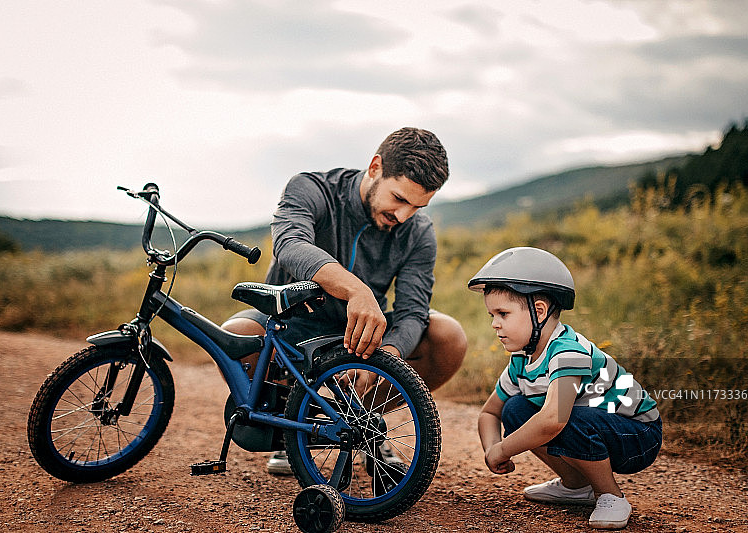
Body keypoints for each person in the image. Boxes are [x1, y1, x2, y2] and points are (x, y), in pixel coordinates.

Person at [223, 127, 467, 475]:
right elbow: (289, 243)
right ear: (375, 167)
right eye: (399, 199)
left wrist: (388, 360)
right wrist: (355, 290)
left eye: (417, 206)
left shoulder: (419, 232)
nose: (404, 216)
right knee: (236, 334)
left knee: (448, 335)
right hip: (290, 327)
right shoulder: (311, 188)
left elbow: (413, 312)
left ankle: (365, 424)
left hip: (360, 338)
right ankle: (292, 430)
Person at [468, 247, 661, 530]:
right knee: (515, 408)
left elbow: (552, 421)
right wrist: (491, 450)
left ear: (539, 311)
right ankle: (576, 485)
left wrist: (503, 449)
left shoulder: (567, 351)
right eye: (491, 315)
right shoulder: (521, 359)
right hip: (594, 424)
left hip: (638, 434)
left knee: (562, 416)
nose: (495, 324)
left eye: (503, 313)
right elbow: (490, 413)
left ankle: (610, 495)